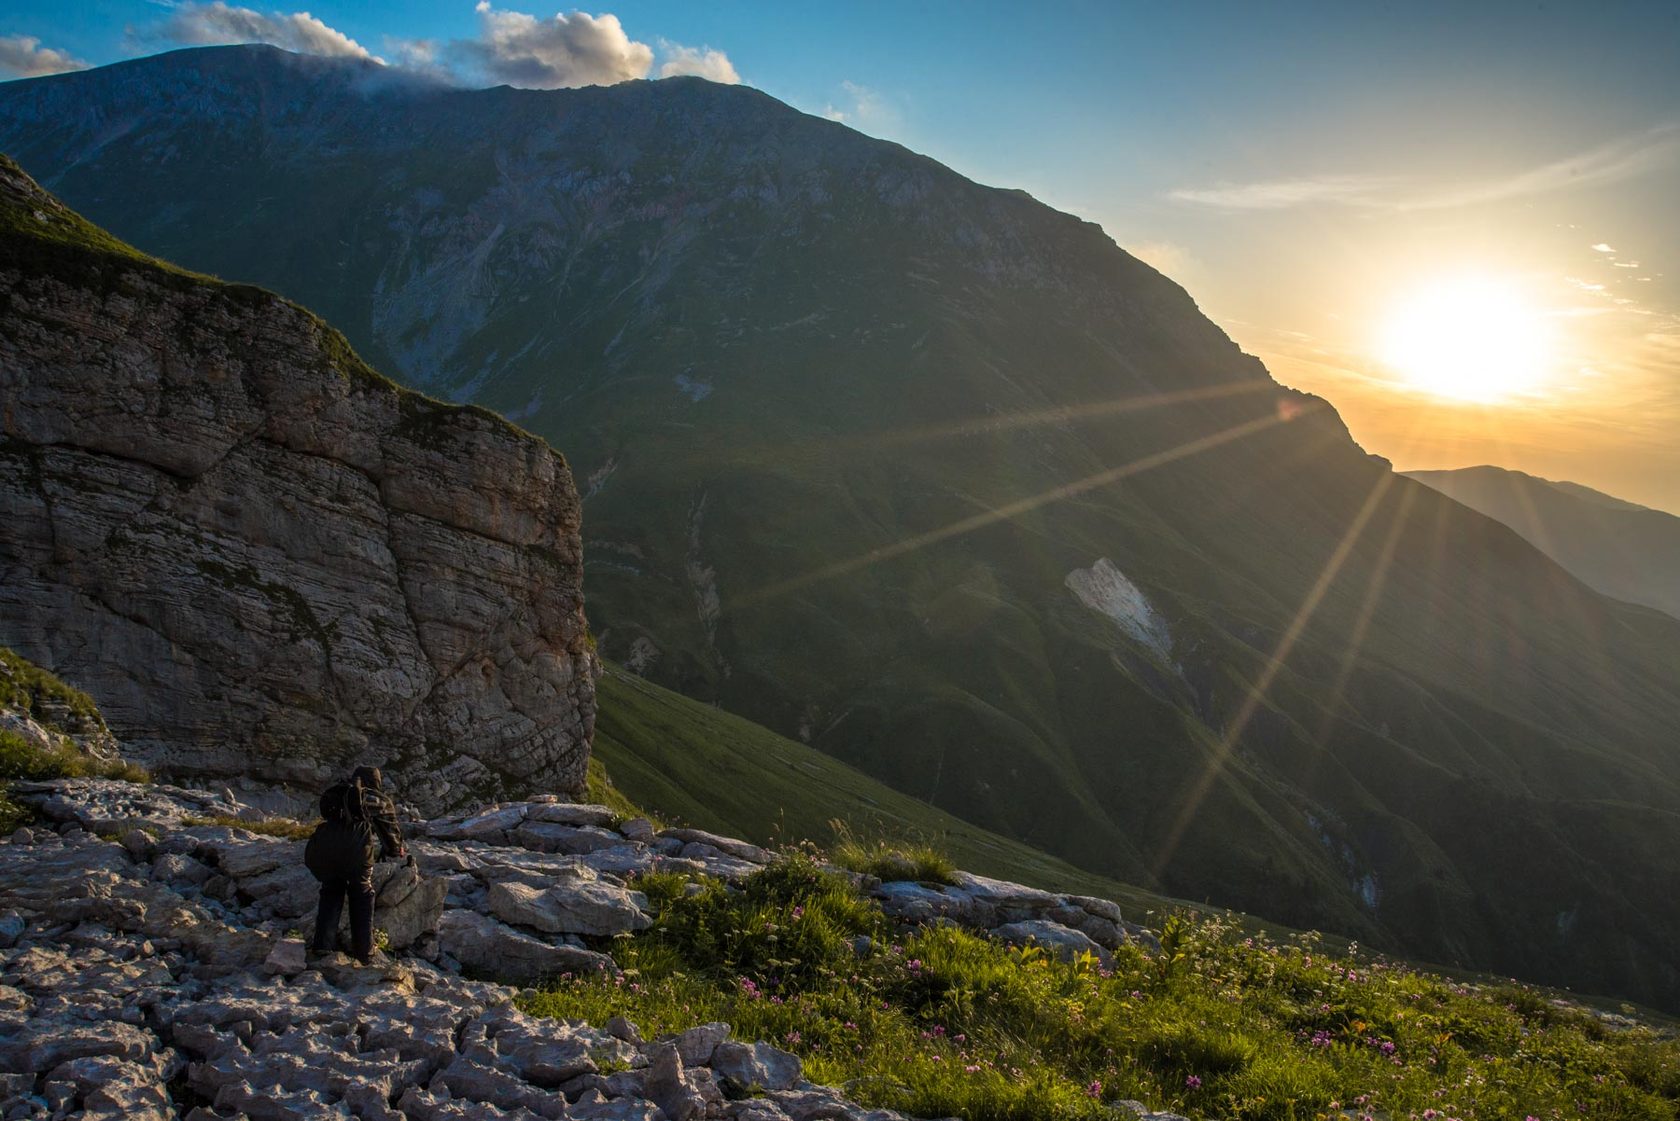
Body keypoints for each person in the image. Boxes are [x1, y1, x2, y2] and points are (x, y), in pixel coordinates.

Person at [304, 765, 408, 963]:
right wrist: (396, 850)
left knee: (331, 890)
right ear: (375, 782)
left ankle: (322, 946)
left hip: (322, 851)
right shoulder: (375, 799)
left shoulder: (335, 792)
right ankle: (364, 950)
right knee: (362, 893)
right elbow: (390, 831)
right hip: (355, 852)